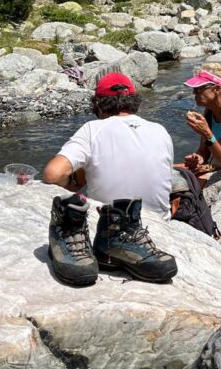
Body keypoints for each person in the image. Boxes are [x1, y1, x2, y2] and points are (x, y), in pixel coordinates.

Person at [43, 73, 177, 286]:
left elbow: (53, 173)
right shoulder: (160, 131)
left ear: (98, 104)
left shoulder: (92, 130)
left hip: (109, 220)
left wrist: (73, 184)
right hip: (159, 223)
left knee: (70, 202)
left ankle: (77, 234)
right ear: (133, 101)